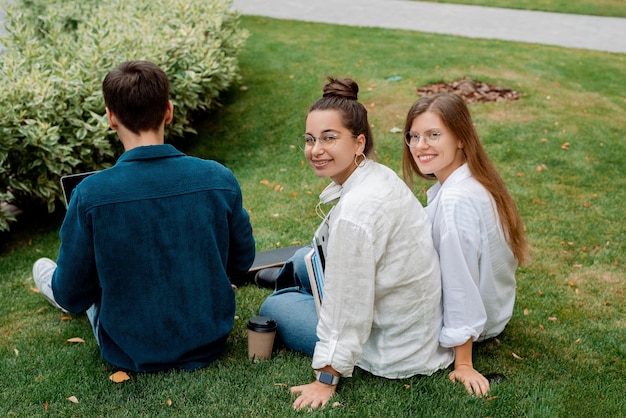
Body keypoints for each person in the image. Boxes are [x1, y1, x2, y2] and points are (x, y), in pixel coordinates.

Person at [32, 60, 255, 373]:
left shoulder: (90, 194)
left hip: (128, 350)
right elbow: (241, 261)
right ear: (168, 110)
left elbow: (72, 296)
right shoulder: (219, 177)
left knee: (44, 270)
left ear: (110, 117)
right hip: (209, 339)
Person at [258, 77, 454, 410]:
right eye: (310, 139)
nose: (316, 150)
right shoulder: (377, 175)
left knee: (275, 308)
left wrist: (326, 378)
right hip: (411, 315)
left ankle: (288, 289)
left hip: (393, 345)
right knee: (304, 257)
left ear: (358, 142)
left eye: (329, 138)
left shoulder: (356, 215)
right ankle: (293, 280)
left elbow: (349, 307)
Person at [402, 93, 529, 397]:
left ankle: (297, 280)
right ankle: (299, 274)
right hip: (495, 311)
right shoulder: (472, 179)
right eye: (414, 136)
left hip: (475, 324)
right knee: (307, 262)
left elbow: (461, 279)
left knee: (280, 306)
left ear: (460, 138)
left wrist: (463, 363)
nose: (420, 146)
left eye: (434, 135)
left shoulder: (456, 201)